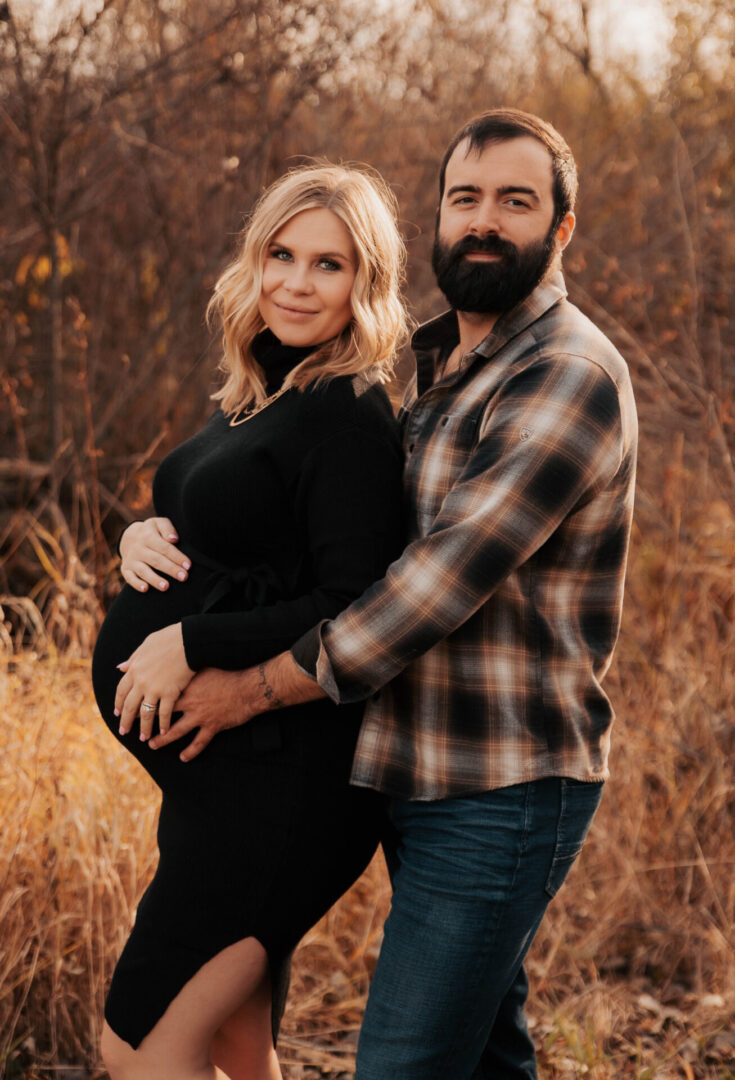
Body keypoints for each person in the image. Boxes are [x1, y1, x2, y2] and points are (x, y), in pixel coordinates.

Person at [147, 109, 638, 1079]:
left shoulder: (566, 375)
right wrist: (156, 530)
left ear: (562, 229)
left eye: (516, 201)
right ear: (439, 216)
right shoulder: (426, 361)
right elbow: (313, 532)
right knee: (487, 1056)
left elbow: (426, 589)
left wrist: (241, 682)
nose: (484, 220)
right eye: (465, 198)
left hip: (499, 783)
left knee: (405, 1064)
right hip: (409, 764)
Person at [91, 163, 409, 1080]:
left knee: (137, 1049)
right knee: (235, 1045)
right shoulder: (258, 392)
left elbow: (354, 602)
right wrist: (139, 538)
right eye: (281, 255)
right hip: (215, 793)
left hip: (282, 798)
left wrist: (190, 640)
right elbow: (237, 542)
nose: (295, 283)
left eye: (328, 265)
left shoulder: (346, 412)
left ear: (365, 284)